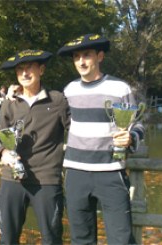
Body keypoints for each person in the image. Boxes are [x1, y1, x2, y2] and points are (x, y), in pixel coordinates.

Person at [57, 33, 145, 244]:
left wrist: (131, 138)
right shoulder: (69, 90)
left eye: (87, 55)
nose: (81, 61)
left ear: (100, 56)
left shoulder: (120, 88)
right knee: (81, 239)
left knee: (121, 239)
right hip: (76, 172)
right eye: (77, 57)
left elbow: (138, 124)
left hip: (111, 172)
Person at [0, 49, 70, 244]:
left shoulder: (57, 100)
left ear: (42, 70)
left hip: (46, 179)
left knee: (52, 238)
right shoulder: (9, 103)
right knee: (8, 239)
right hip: (11, 179)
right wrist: (3, 152)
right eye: (20, 69)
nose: (25, 73)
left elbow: (75, 131)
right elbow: (0, 136)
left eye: (29, 68)